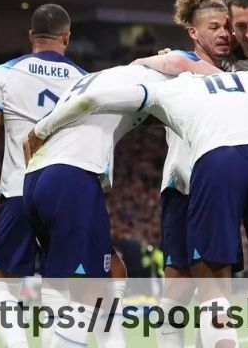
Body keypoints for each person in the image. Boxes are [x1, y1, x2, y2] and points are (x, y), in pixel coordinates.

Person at [26, 66, 248, 348]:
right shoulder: (247, 78)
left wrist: (43, 127)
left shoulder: (166, 89)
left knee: (213, 289)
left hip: (215, 159)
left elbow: (93, 98)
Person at [0, 3, 87, 348]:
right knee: (58, 285)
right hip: (67, 194)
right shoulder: (84, 81)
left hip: (21, 190)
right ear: (67, 37)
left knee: (2, 285)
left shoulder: (4, 73)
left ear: (31, 36)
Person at [23, 64, 171, 348]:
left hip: (36, 177)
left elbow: (26, 145)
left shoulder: (85, 83)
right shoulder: (139, 82)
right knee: (86, 292)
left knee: (110, 269)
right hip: (72, 178)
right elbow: (175, 63)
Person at [132, 0, 230, 348]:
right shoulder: (175, 64)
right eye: (214, 27)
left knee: (216, 289)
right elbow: (137, 67)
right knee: (179, 289)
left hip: (219, 188)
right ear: (193, 31)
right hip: (183, 186)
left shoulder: (236, 71)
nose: (223, 34)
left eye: (226, 27)